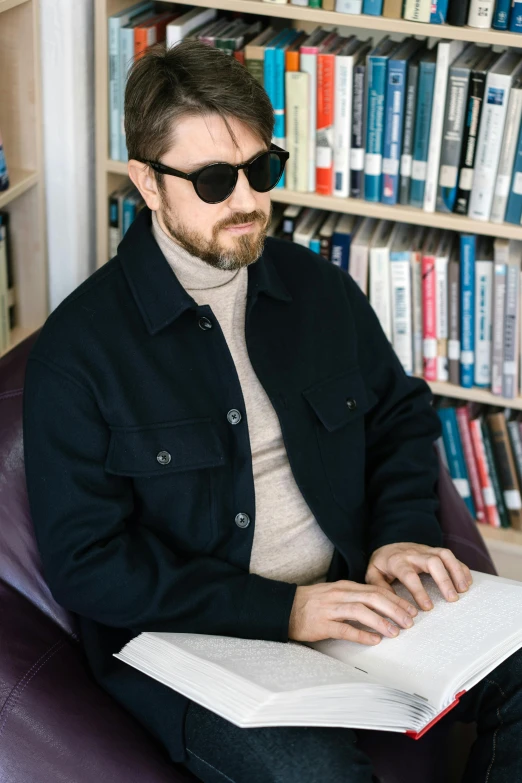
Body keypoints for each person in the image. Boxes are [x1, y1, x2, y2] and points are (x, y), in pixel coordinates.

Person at [23, 40, 521, 783]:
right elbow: (88, 564)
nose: (250, 202)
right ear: (148, 184)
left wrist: (401, 534)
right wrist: (284, 612)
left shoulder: (315, 289)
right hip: (200, 644)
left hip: (355, 597)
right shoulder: (78, 355)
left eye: (262, 170)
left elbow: (399, 418)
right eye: (216, 181)